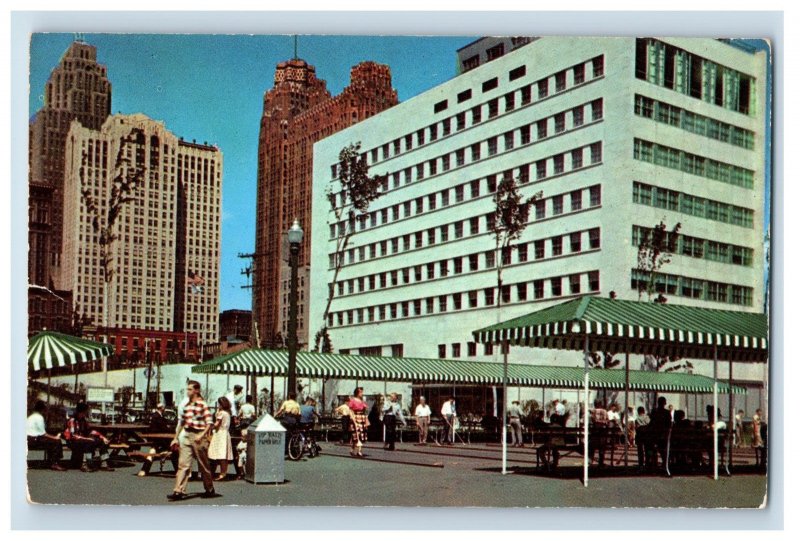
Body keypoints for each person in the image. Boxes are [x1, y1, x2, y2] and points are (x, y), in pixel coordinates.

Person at [167, 380, 217, 501]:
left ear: (196, 390)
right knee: (183, 464)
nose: (187, 391)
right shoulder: (187, 405)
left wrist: (202, 435)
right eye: (187, 389)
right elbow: (182, 422)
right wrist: (175, 438)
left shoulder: (202, 404)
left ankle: (209, 488)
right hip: (187, 434)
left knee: (203, 464)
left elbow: (210, 423)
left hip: (199, 435)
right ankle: (178, 490)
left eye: (190, 389)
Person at [64, 402, 114, 472]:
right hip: (72, 441)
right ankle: (86, 463)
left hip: (82, 439)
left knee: (101, 442)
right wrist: (87, 438)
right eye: (85, 412)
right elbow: (73, 435)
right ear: (80, 412)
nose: (85, 414)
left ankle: (104, 463)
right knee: (88, 442)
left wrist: (102, 437)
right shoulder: (72, 421)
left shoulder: (83, 420)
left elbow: (89, 431)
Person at [138, 403, 179, 477]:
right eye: (164, 407)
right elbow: (163, 428)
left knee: (152, 451)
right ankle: (178, 470)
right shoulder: (157, 416)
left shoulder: (156, 416)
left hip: (157, 441)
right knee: (173, 450)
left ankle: (144, 470)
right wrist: (172, 430)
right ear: (161, 408)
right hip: (160, 440)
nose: (164, 409)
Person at [26, 400, 66, 471]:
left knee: (51, 440)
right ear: (43, 409)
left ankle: (50, 461)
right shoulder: (39, 417)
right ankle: (55, 463)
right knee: (56, 442)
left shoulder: (31, 416)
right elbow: (43, 434)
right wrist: (55, 437)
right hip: (33, 440)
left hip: (28, 438)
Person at [209, 396, 234, 481]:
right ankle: (223, 473)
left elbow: (217, 424)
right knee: (223, 455)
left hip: (219, 434)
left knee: (217, 454)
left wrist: (210, 427)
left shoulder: (221, 413)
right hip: (225, 433)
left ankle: (217, 473)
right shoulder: (228, 413)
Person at [348, 387, 369, 457]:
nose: (362, 394)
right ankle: (356, 450)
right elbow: (350, 410)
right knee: (356, 434)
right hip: (355, 417)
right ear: (357, 393)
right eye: (361, 392)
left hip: (362, 418)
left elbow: (365, 409)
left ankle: (357, 450)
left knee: (361, 435)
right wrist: (352, 417)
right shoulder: (353, 400)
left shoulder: (361, 401)